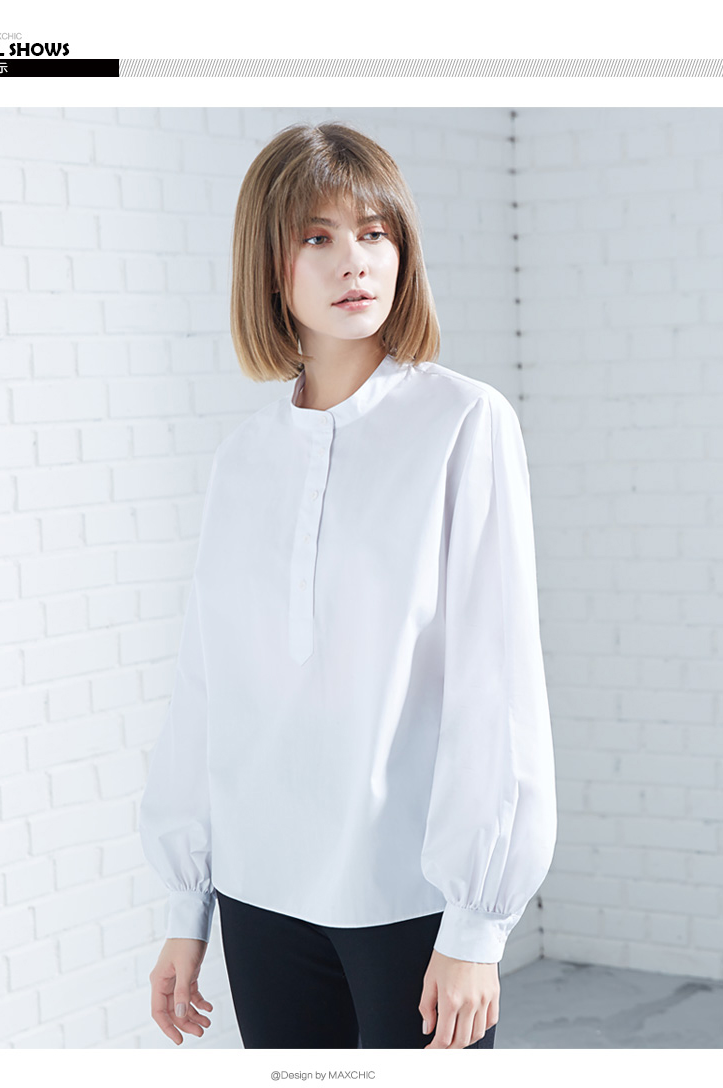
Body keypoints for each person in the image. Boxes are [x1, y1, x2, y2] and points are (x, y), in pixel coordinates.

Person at [138, 122, 557, 1050]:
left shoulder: (464, 423)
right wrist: (185, 905)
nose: (355, 260)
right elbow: (207, 686)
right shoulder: (243, 459)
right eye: (317, 236)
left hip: (408, 896)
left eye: (375, 232)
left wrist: (477, 925)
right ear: (269, 265)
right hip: (259, 894)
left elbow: (495, 684)